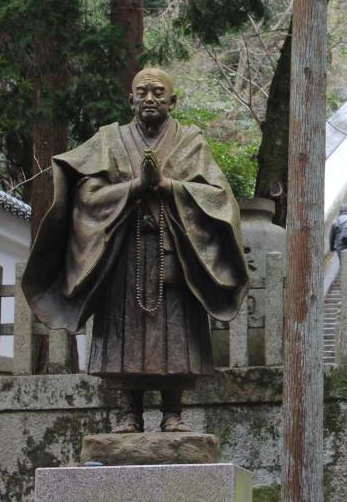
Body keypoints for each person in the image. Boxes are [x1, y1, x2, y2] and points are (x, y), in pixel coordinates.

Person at [22, 68, 248, 433]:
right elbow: (86, 197)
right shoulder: (109, 140)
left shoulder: (191, 142)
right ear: (130, 99)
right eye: (142, 92)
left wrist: (169, 185)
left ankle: (173, 412)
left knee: (177, 333)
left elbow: (219, 198)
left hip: (174, 252)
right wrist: (134, 188)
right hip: (123, 257)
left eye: (159, 92)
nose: (150, 99)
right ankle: (130, 413)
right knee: (123, 333)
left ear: (173, 101)